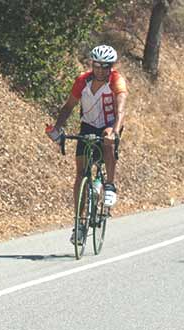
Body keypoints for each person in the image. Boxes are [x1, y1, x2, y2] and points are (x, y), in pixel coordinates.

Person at [47, 44, 129, 243]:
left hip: (109, 125)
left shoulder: (116, 81)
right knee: (81, 174)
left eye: (105, 66)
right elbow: (68, 107)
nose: (101, 70)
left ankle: (109, 185)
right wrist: (58, 127)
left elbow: (121, 110)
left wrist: (115, 131)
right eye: (97, 65)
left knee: (107, 140)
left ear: (111, 67)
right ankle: (80, 224)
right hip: (88, 126)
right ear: (92, 64)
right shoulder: (82, 81)